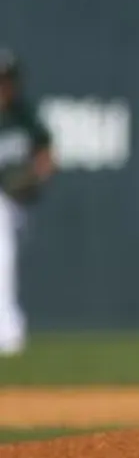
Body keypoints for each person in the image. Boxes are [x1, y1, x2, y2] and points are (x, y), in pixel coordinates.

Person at [0, 48, 56, 357]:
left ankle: (8, 329)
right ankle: (8, 331)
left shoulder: (24, 116)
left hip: (21, 203)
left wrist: (34, 176)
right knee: (2, 256)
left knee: (6, 257)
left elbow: (46, 156)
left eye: (7, 78)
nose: (4, 85)